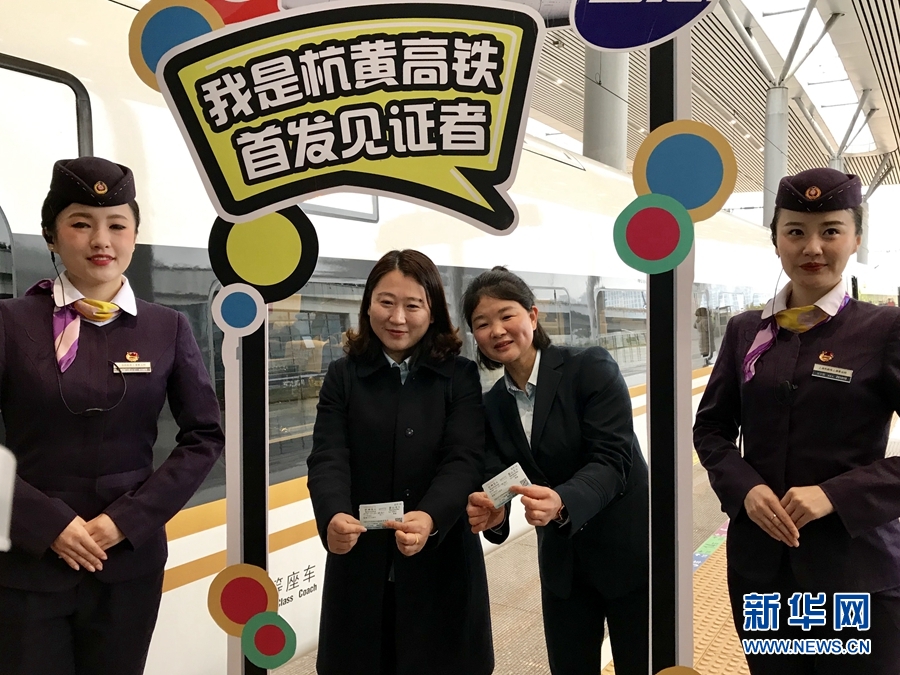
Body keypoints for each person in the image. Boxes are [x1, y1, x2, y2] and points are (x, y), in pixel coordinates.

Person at [0, 157, 224, 675]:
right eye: (81, 223)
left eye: (117, 225)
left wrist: (126, 521)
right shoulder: (10, 325)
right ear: (51, 235)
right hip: (27, 563)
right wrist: (46, 523)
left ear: (134, 236)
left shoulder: (166, 328)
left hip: (127, 565)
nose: (101, 240)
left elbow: (204, 436)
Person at [694, 167, 900, 674]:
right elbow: (712, 429)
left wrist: (836, 494)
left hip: (855, 574)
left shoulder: (884, 329)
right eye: (795, 232)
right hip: (762, 573)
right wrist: (745, 488)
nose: (813, 247)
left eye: (831, 230)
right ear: (776, 242)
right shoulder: (746, 330)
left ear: (855, 239)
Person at [307, 249, 493, 675]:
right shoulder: (343, 375)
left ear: (433, 311)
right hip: (362, 564)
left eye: (413, 305)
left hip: (442, 563)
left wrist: (430, 517)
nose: (398, 318)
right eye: (386, 302)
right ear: (368, 304)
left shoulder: (459, 375)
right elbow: (328, 455)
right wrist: (332, 514)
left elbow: (464, 458)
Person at [463, 267, 649, 675]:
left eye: (506, 315)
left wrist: (563, 500)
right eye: (482, 323)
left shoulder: (589, 368)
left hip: (628, 556)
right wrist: (495, 511)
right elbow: (500, 477)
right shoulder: (493, 405)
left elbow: (613, 460)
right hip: (563, 567)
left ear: (532, 315)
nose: (497, 330)